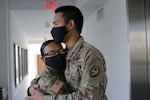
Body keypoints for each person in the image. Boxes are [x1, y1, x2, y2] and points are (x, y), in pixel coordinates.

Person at [27, 5, 108, 100]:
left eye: (56, 24)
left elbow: (89, 97)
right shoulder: (64, 53)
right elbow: (50, 73)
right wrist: (31, 88)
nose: (53, 29)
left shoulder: (90, 55)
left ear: (70, 24)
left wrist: (45, 99)